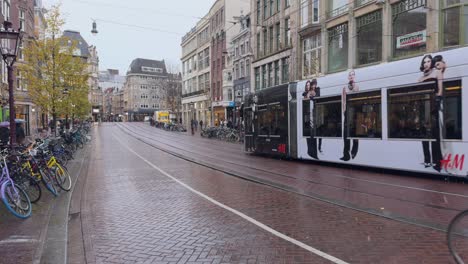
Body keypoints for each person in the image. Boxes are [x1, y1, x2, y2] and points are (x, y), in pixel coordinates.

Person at [418, 54, 446, 172]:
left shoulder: (437, 73)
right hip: (423, 107)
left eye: (428, 61)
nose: (426, 64)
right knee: (424, 135)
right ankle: (427, 160)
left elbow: (440, 89)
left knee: (435, 135)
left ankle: (437, 162)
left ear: (432, 63)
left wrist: (437, 101)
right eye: (424, 62)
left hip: (434, 105)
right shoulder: (420, 78)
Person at [340, 70, 359, 161]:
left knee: (355, 133)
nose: (351, 76)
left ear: (354, 76)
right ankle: (346, 154)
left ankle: (354, 152)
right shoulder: (345, 88)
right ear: (348, 77)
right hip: (347, 112)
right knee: (345, 135)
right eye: (350, 75)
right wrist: (344, 111)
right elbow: (343, 100)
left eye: (352, 75)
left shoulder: (357, 86)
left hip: (355, 112)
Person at [304, 79, 320, 159]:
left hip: (314, 117)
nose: (309, 86)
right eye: (307, 85)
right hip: (308, 120)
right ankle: (310, 152)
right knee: (309, 135)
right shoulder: (304, 94)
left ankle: (313, 153)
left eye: (309, 85)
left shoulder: (316, 92)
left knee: (313, 135)